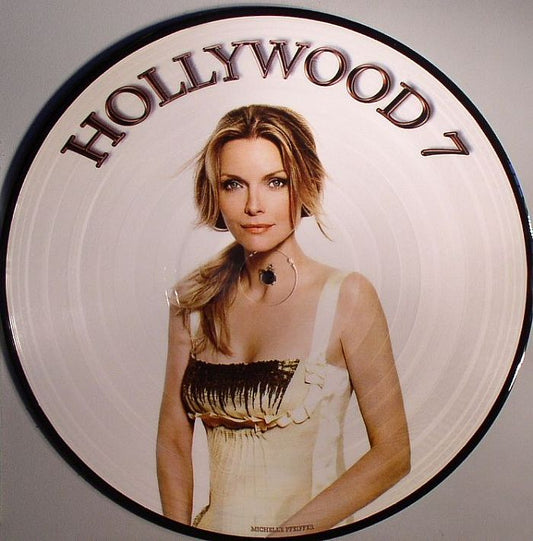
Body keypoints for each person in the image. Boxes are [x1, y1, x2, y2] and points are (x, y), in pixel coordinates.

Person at [156, 104, 410, 537]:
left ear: (305, 184)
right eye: (234, 184)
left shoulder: (347, 297)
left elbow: (393, 454)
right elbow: (174, 442)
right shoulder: (193, 301)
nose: (254, 206)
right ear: (215, 193)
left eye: (276, 182)